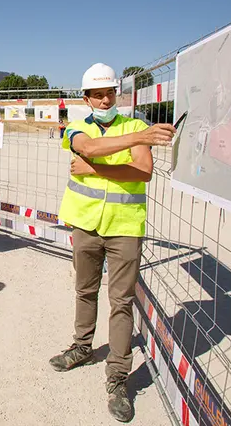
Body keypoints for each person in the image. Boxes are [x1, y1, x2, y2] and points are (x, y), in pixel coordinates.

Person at [48, 63, 174, 422]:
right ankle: (82, 347)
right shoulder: (77, 127)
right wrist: (140, 140)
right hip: (86, 225)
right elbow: (89, 146)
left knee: (121, 301)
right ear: (86, 98)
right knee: (84, 290)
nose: (105, 99)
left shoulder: (134, 125)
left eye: (110, 93)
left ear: (117, 94)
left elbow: (143, 172)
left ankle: (118, 377)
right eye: (98, 94)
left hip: (124, 228)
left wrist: (95, 168)